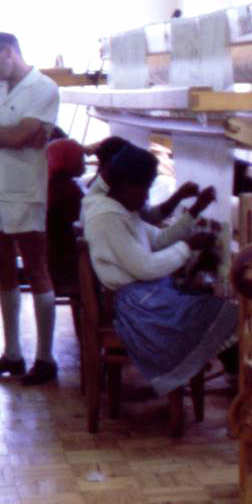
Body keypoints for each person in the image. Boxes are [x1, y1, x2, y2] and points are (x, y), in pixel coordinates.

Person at [83, 144, 237, 398]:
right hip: (138, 308)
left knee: (207, 304)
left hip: (146, 296)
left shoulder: (121, 211)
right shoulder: (107, 217)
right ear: (124, 185)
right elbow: (145, 266)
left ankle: (245, 368)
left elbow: (159, 239)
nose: (145, 198)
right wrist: (187, 247)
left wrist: (195, 210)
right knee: (210, 310)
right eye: (143, 188)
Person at [0, 32, 61, 385]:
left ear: (9, 52)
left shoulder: (43, 88)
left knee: (36, 269)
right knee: (4, 270)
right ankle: (13, 354)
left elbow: (23, 138)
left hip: (23, 190)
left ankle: (46, 358)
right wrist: (3, 134)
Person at [45, 138, 86, 295]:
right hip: (65, 269)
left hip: (53, 263)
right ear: (69, 160)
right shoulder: (67, 191)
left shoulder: (52, 185)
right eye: (80, 159)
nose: (83, 163)